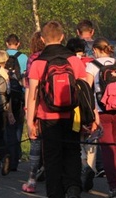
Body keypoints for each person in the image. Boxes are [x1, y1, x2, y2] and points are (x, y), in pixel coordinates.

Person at [26, 20, 87, 198]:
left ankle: (55, 193)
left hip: (47, 116)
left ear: (43, 39)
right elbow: (84, 91)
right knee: (72, 152)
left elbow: (33, 96)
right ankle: (73, 187)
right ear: (62, 37)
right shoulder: (74, 60)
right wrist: (89, 118)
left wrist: (30, 122)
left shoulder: (38, 63)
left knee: (52, 158)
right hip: (72, 115)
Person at [85, 38, 116, 198]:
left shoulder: (92, 66)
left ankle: (114, 186)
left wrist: (92, 113)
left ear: (95, 49)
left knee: (108, 149)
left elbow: (86, 91)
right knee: (115, 148)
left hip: (102, 111)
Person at [21, 31, 46, 193]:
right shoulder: (56, 58)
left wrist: (27, 109)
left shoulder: (33, 59)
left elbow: (30, 87)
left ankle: (31, 180)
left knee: (35, 144)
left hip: (37, 105)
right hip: (55, 106)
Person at [4, 33, 27, 173]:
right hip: (19, 94)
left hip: (5, 95)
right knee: (18, 126)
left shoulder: (1, 56)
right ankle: (16, 157)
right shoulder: (24, 57)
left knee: (6, 127)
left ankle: (4, 154)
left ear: (7, 43)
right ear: (18, 44)